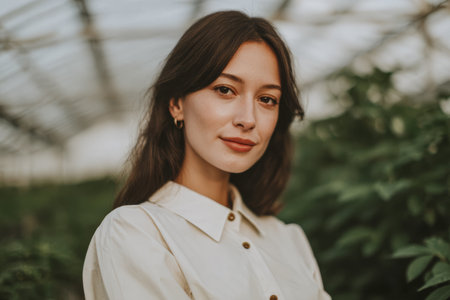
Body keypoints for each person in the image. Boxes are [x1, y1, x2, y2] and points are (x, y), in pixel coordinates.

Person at [83, 10, 331, 300]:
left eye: (267, 99)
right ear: (176, 104)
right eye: (225, 90)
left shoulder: (289, 240)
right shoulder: (136, 233)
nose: (248, 119)